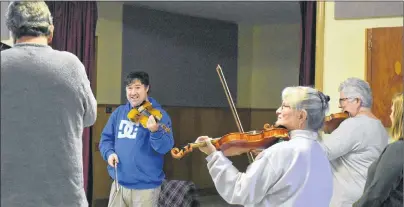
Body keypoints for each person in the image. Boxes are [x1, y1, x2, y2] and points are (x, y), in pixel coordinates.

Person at [1, 2, 97, 207]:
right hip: (64, 199)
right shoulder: (72, 66)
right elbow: (90, 117)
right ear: (51, 31)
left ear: (12, 31)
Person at [196, 86, 334, 207]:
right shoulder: (320, 150)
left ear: (301, 116)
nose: (278, 110)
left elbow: (239, 191)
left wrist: (214, 156)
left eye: (285, 106)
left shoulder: (282, 151)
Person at [99, 71, 174, 207]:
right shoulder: (119, 113)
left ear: (147, 88)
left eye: (137, 87)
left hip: (146, 188)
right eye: (129, 88)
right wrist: (109, 154)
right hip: (119, 183)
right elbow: (106, 139)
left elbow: (165, 147)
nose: (133, 92)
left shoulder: (159, 115)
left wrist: (155, 132)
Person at [319, 77, 389, 207]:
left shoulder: (353, 125)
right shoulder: (380, 127)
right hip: (364, 196)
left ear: (357, 101)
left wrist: (309, 129)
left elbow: (321, 153)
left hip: (346, 201)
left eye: (342, 100)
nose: (340, 105)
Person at [353, 93, 403, 207]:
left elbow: (376, 194)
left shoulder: (398, 150)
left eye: (392, 111)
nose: (390, 116)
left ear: (399, 116)